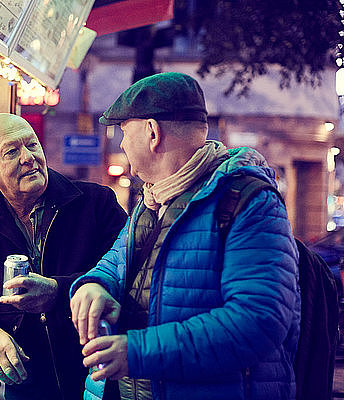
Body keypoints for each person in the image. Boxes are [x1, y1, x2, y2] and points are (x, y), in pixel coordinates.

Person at [69, 72, 300, 400]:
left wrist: (137, 352)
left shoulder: (248, 201)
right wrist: (94, 286)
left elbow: (258, 321)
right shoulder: (152, 202)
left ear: (152, 133)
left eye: (124, 132)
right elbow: (114, 262)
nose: (121, 144)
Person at [0, 113, 127, 400]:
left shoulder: (96, 203)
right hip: (26, 381)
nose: (28, 157)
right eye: (12, 152)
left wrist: (59, 291)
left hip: (98, 374)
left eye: (32, 145)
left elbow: (124, 277)